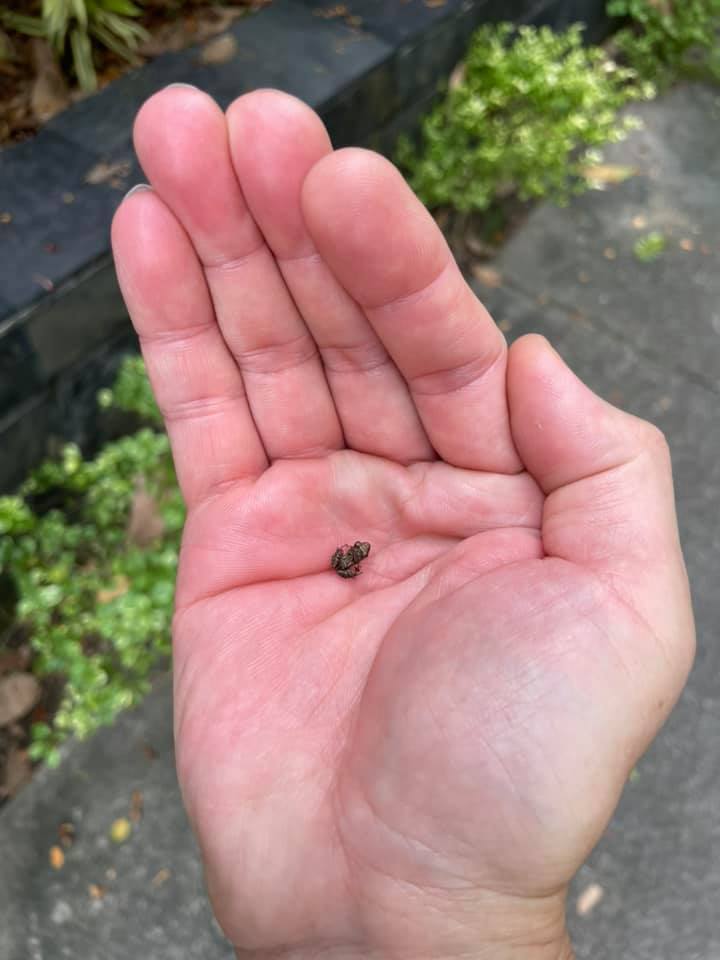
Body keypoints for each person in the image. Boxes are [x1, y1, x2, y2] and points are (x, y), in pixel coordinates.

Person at [111, 85, 695, 960]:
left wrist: (436, 902)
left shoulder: (354, 555)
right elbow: (347, 557)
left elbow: (352, 557)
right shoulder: (341, 553)